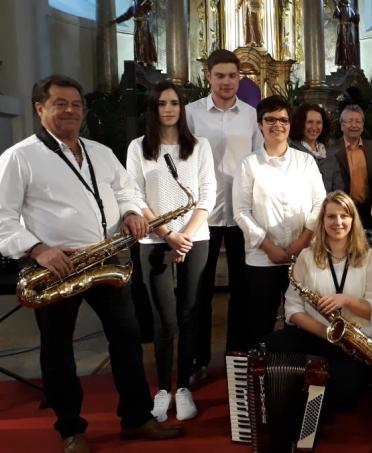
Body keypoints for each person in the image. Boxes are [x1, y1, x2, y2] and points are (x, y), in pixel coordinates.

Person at [0, 75, 181, 453]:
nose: (70, 110)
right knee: (58, 351)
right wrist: (38, 249)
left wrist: (131, 212)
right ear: (39, 108)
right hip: (56, 266)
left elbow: (125, 190)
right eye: (60, 104)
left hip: (104, 258)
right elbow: (3, 217)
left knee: (127, 341)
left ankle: (137, 418)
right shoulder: (19, 157)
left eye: (76, 104)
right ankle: (71, 429)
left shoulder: (100, 151)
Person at [126, 81, 216, 423]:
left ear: (182, 108)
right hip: (154, 239)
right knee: (164, 319)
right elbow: (134, 195)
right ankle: (163, 389)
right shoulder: (138, 147)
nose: (168, 109)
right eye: (162, 103)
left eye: (174, 103)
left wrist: (185, 237)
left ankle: (184, 387)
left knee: (190, 312)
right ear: (153, 108)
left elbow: (207, 194)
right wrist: (167, 235)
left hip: (195, 238)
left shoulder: (199, 146)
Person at [186, 49, 263, 384]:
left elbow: (258, 160)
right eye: (220, 75)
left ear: (240, 77)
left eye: (232, 75)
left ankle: (237, 357)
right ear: (208, 76)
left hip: (241, 214)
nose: (226, 81)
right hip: (202, 215)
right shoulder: (190, 113)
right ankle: (198, 360)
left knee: (242, 292)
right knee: (199, 293)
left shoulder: (250, 115)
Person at [271, 190, 372, 412]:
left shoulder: (368, 257)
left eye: (344, 215)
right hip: (317, 335)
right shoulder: (306, 257)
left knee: (345, 396)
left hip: (353, 344)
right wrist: (327, 333)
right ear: (322, 221)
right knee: (268, 346)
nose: (338, 222)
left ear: (353, 220)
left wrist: (346, 300)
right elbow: (292, 308)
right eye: (331, 216)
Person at [233, 95, 326, 347]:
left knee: (301, 321)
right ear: (260, 124)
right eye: (270, 119)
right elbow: (241, 211)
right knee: (260, 321)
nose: (277, 125)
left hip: (303, 255)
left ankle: (295, 368)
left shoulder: (305, 161)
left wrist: (302, 241)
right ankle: (263, 368)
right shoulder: (249, 164)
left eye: (283, 120)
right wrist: (269, 247)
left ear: (290, 123)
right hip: (262, 258)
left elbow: (320, 203)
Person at [332, 104, 372, 229]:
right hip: (341, 211)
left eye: (358, 121)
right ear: (341, 125)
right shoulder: (331, 150)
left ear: (363, 125)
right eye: (349, 121)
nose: (354, 125)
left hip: (369, 213)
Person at [289, 103, 344, 192]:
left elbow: (339, 188)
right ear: (300, 123)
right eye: (310, 122)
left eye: (318, 122)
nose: (314, 127)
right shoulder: (292, 152)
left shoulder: (330, 153)